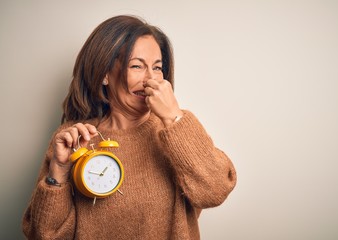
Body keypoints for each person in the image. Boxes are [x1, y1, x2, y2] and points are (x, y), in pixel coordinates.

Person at [22, 15, 237, 239]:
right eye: (137, 66)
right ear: (104, 74)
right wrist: (59, 170)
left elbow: (216, 190)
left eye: (157, 67)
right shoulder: (73, 140)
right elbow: (42, 235)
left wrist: (174, 116)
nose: (150, 79)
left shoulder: (178, 130)